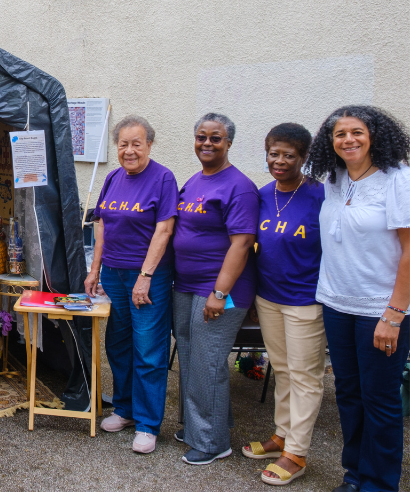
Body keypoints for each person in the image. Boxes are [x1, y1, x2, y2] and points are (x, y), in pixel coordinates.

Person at [308, 105, 410, 492]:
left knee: (380, 400)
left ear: (375, 136)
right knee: (349, 395)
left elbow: (409, 251)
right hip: (336, 304)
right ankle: (355, 474)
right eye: (339, 134)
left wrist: (394, 314)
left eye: (357, 132)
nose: (348, 139)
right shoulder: (334, 178)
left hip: (380, 309)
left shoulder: (398, 179)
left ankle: (380, 484)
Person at [84, 115, 178, 454]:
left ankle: (148, 424)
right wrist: (95, 269)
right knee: (119, 344)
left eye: (136, 143)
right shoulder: (112, 177)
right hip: (113, 274)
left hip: (147, 277)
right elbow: (101, 225)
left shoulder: (163, 178)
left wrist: (146, 276)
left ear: (149, 145)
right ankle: (124, 409)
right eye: (123, 144)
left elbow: (164, 230)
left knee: (149, 349)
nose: (129, 150)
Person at [173, 112, 259, 466]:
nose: (206, 143)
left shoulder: (238, 186)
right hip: (187, 285)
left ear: (229, 143)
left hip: (221, 289)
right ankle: (201, 426)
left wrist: (220, 292)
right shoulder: (194, 181)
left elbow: (242, 244)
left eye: (215, 138)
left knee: (207, 363)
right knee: (191, 357)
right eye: (201, 137)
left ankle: (211, 442)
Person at [242, 123, 325, 486]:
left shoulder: (321, 196)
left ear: (304, 158)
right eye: (273, 153)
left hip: (306, 301)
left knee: (306, 376)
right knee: (283, 369)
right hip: (269, 297)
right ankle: (281, 436)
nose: (279, 161)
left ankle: (297, 452)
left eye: (288, 155)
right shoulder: (262, 194)